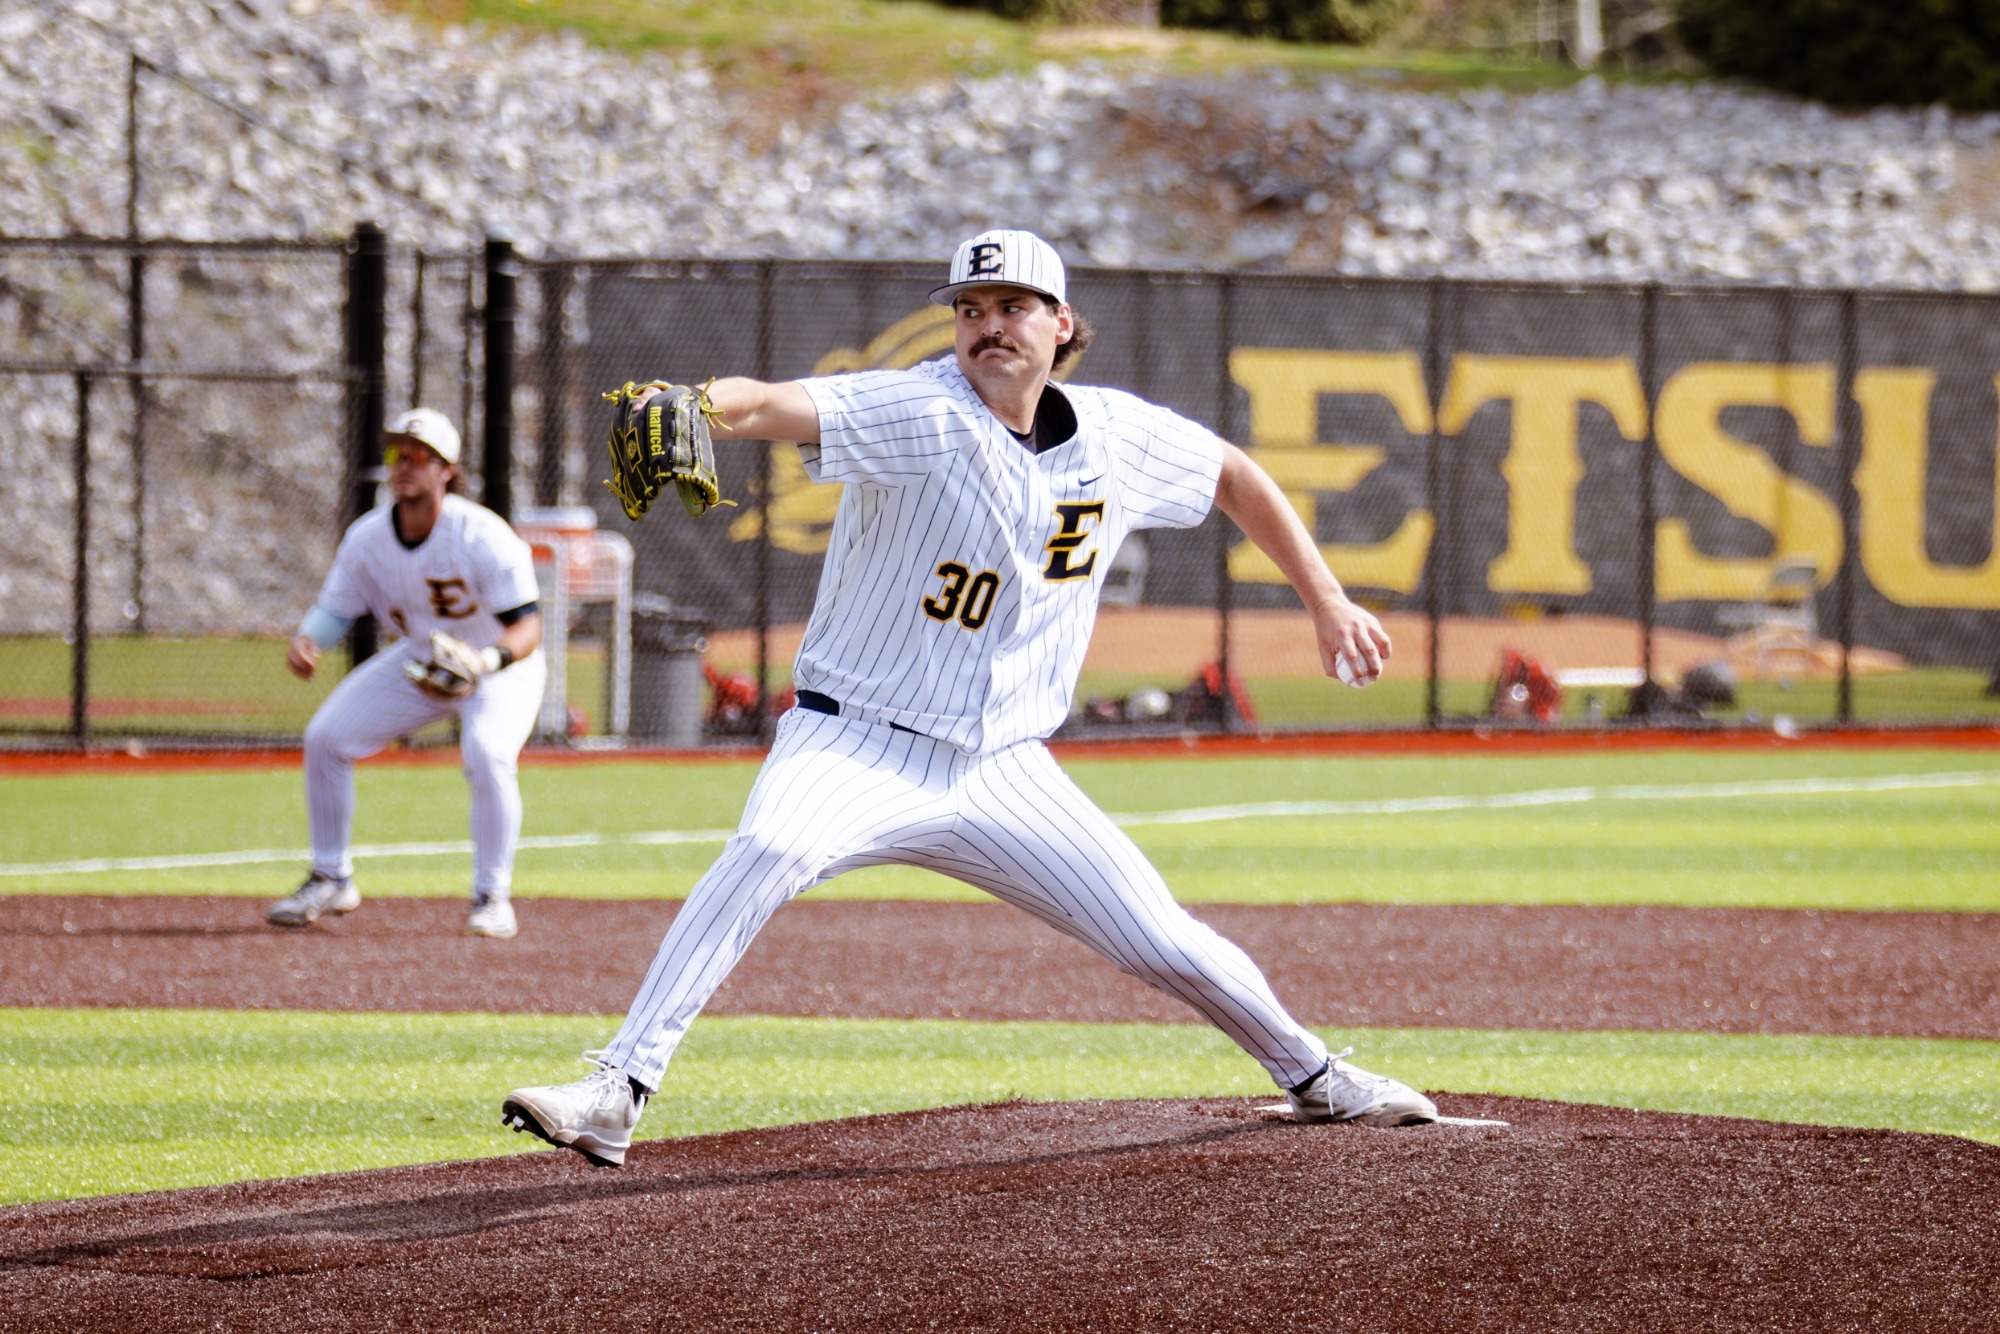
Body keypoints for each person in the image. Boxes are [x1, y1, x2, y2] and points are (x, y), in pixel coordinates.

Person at [501, 229, 1434, 1166]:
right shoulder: (919, 410)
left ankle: (1316, 1076)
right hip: (855, 745)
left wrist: (1328, 598)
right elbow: (775, 405)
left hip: (1004, 769)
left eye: (1013, 307)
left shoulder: (1117, 435)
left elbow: (1231, 472)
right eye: (970, 309)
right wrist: (701, 403)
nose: (989, 326)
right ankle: (618, 1089)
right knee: (769, 848)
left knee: (1161, 942)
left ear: (1061, 324)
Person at [267, 408, 547, 940]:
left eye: (421, 457)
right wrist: (309, 639)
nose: (405, 466)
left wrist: (484, 663)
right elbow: (336, 608)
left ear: (447, 470)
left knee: (487, 753)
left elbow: (528, 629)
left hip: (497, 665)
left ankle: (492, 895)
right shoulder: (368, 538)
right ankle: (331, 876)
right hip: (421, 661)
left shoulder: (482, 534)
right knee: (326, 737)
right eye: (399, 455)